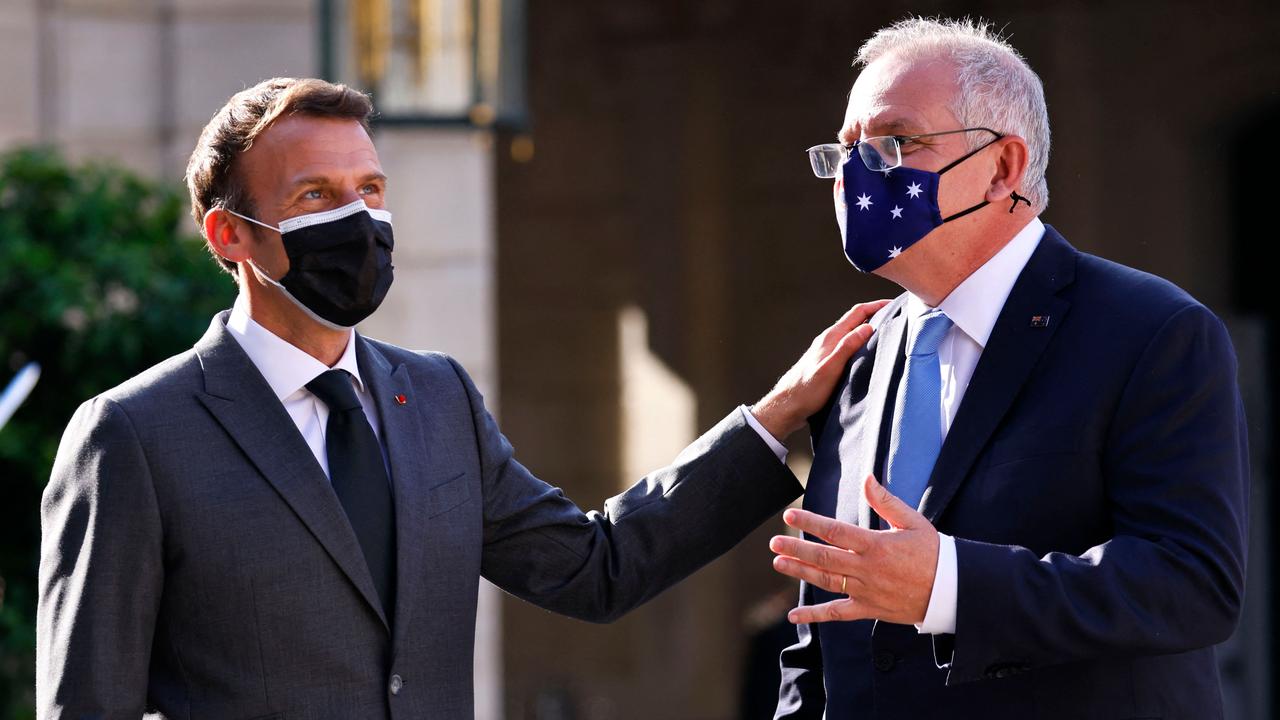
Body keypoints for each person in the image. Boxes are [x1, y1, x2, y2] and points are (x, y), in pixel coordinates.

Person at [36, 77, 886, 718]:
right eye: (315, 197)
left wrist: (771, 421)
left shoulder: (435, 395)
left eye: (370, 190)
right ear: (230, 234)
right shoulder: (134, 437)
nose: (359, 219)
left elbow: (597, 569)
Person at [766, 17, 1249, 720]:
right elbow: (823, 629)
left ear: (1002, 169)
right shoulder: (858, 355)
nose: (855, 177)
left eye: (895, 143)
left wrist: (951, 587)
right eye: (845, 152)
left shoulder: (1152, 331)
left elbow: (1191, 585)